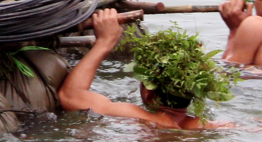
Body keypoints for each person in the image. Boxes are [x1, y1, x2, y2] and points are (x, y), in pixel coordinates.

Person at [58, 9, 227, 129]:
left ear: (148, 91)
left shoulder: (137, 116)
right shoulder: (206, 127)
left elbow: (71, 96)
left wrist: (104, 42)